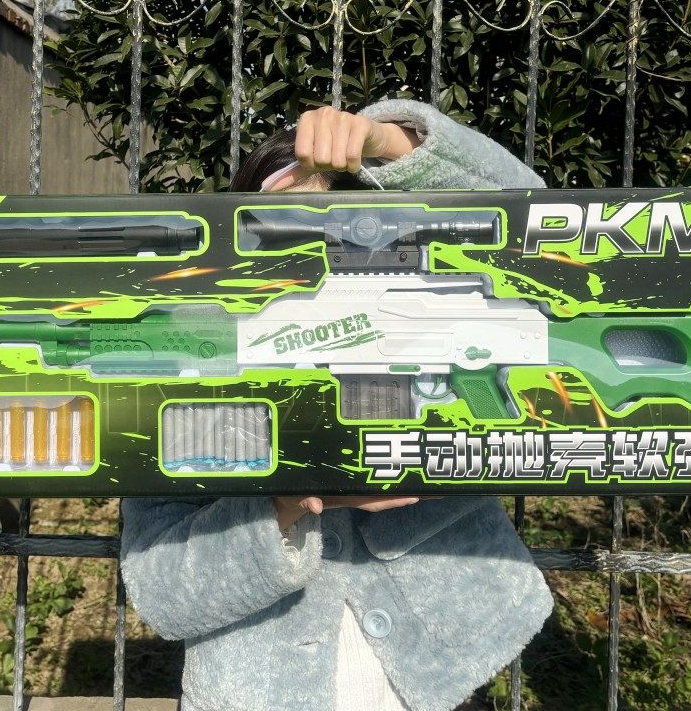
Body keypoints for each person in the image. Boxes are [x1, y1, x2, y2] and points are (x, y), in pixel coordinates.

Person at [121, 98, 554, 711]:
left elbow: (533, 217)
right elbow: (164, 593)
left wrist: (391, 147)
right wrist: (287, 501)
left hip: (448, 666)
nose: (316, 264)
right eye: (285, 238)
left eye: (344, 234)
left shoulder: (440, 310)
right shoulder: (190, 367)